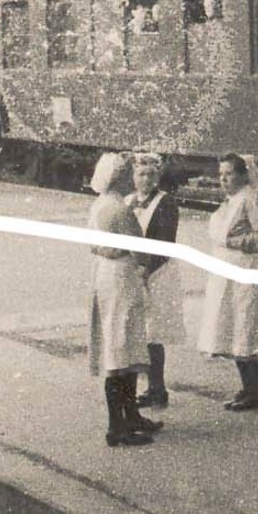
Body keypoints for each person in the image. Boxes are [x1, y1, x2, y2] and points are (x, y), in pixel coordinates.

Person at [86, 152, 161, 447]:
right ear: (119, 177)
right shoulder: (120, 209)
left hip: (105, 276)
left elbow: (93, 244)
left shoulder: (98, 205)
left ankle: (129, 417)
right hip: (123, 278)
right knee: (124, 350)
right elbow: (140, 248)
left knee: (118, 346)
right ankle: (118, 426)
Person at [197, 154, 258, 411]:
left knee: (245, 325)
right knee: (232, 326)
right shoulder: (231, 200)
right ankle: (249, 385)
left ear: (243, 175)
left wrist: (232, 242)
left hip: (248, 270)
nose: (223, 179)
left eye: (229, 174)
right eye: (221, 174)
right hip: (230, 272)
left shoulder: (251, 199)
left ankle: (257, 389)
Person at [128, 152, 183, 409]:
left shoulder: (166, 203)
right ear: (133, 176)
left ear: (158, 176)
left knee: (153, 332)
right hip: (134, 271)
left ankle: (157, 388)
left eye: (151, 174)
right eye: (141, 174)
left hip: (156, 273)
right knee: (137, 331)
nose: (146, 179)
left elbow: (164, 244)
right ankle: (147, 387)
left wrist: (145, 269)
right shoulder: (128, 202)